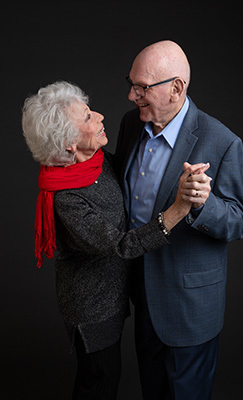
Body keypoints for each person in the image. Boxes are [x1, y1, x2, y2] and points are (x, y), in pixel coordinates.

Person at [21, 81, 209, 400]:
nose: (100, 116)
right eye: (87, 117)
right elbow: (122, 245)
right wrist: (180, 206)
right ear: (68, 144)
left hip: (114, 297)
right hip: (92, 310)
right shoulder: (66, 198)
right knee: (100, 384)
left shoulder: (96, 162)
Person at [114, 40, 243, 400]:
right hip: (142, 294)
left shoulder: (222, 142)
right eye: (132, 83)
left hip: (190, 306)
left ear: (176, 88)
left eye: (142, 87)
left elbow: (236, 221)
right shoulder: (131, 126)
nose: (131, 95)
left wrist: (203, 203)